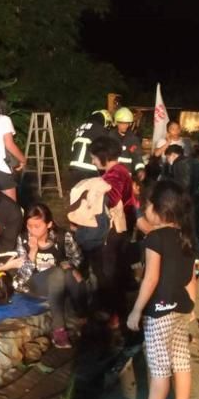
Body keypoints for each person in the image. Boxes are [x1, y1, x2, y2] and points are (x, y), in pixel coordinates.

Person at [126, 180, 197, 399]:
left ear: (159, 209)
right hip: (181, 307)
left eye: (147, 205)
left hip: (160, 310)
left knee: (158, 365)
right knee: (180, 358)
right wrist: (192, 305)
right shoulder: (186, 236)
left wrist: (136, 310)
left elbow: (151, 278)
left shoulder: (155, 238)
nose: (144, 209)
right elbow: (191, 277)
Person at [0, 204, 84, 348]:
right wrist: (32, 252)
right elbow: (22, 278)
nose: (32, 230)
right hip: (35, 284)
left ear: (49, 224)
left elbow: (77, 258)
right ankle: (59, 330)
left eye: (37, 226)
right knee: (57, 272)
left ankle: (82, 315)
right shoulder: (23, 240)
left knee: (71, 274)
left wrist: (68, 265)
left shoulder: (62, 237)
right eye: (29, 226)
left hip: (59, 284)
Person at [87, 136, 133, 330]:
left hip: (114, 231)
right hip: (120, 229)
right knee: (114, 269)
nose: (93, 162)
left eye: (94, 158)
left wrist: (91, 195)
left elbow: (111, 198)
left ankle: (116, 313)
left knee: (110, 271)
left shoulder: (115, 175)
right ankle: (116, 309)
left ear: (103, 156)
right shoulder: (120, 170)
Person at [68, 109, 114, 185]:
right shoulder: (100, 129)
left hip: (74, 166)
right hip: (89, 168)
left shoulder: (80, 127)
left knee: (78, 191)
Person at [113, 107, 145, 180]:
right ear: (117, 122)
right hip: (112, 175)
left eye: (127, 123)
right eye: (123, 123)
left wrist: (140, 169)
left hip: (126, 176)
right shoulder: (110, 136)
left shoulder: (133, 139)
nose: (126, 125)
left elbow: (137, 156)